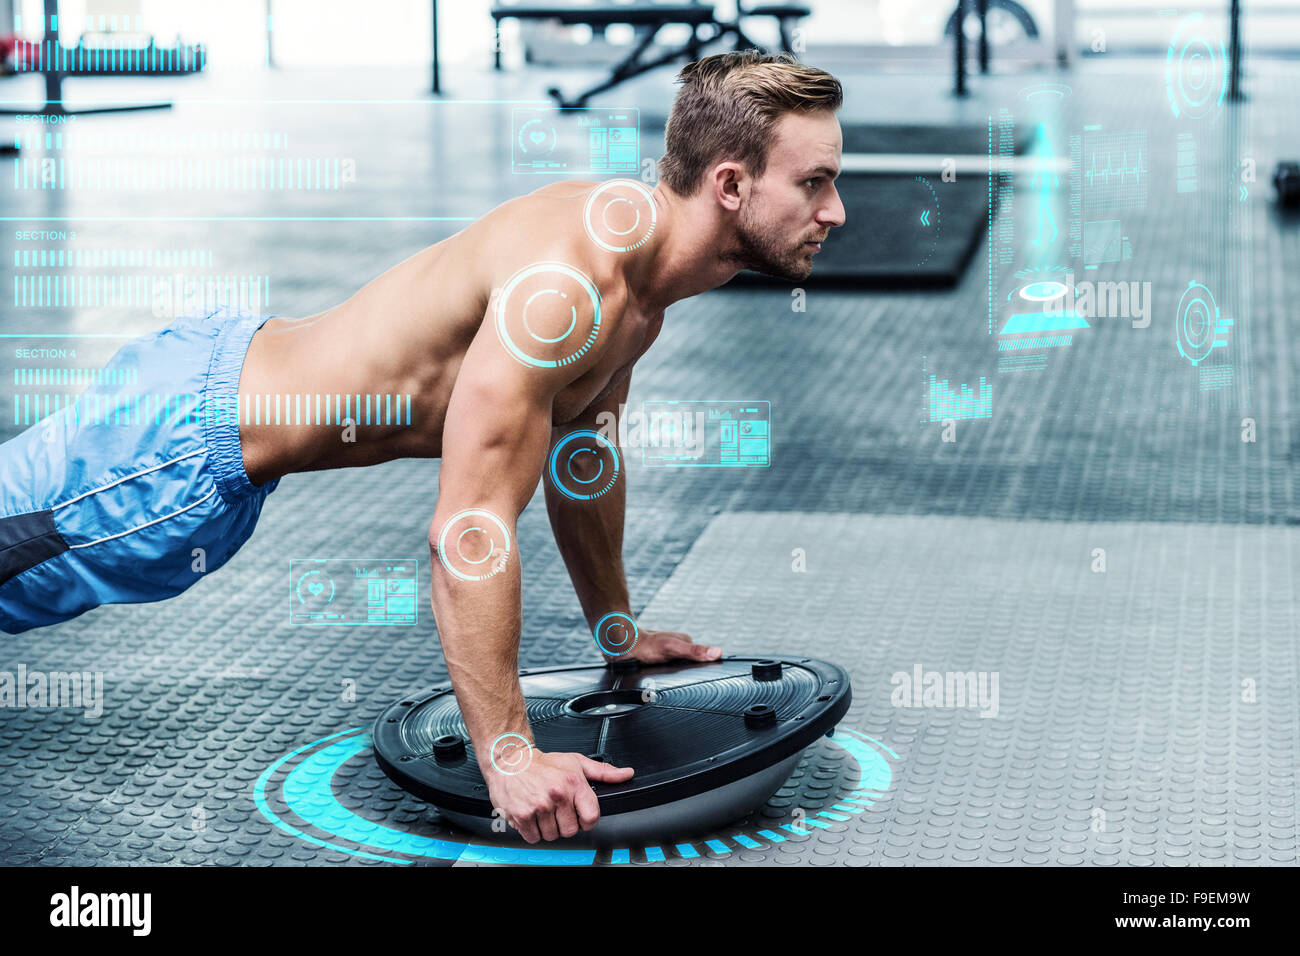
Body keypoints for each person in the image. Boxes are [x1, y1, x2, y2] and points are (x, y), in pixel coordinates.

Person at [0, 50, 845, 843]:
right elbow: (468, 530)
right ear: (730, 184)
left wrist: (616, 630)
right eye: (814, 183)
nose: (835, 211)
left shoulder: (636, 281)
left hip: (208, 385)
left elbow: (582, 461)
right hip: (170, 458)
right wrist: (509, 756)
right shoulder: (569, 294)